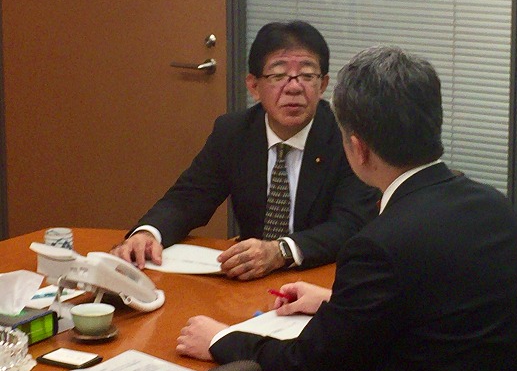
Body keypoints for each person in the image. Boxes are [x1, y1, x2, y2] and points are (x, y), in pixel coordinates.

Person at [176, 46, 517, 371]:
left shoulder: (378, 246)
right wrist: (337, 302)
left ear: (358, 148)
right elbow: (439, 303)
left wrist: (220, 339)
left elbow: (304, 370)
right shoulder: (494, 206)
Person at [111, 21, 379, 280]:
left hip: (321, 276)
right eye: (278, 76)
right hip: (251, 276)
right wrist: (148, 233)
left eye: (307, 76)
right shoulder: (234, 132)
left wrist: (281, 251)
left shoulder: (347, 138)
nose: (294, 87)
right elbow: (188, 198)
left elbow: (351, 224)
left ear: (323, 85)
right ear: (254, 86)